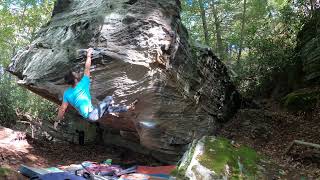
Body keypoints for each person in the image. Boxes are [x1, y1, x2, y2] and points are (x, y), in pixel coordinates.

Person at [54, 48, 138, 130]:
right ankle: (117, 107)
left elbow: (62, 109)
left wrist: (57, 121)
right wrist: (89, 55)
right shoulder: (83, 83)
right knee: (109, 98)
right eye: (75, 73)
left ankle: (127, 108)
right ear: (75, 79)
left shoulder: (66, 93)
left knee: (108, 109)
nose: (76, 73)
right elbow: (87, 68)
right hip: (92, 114)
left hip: (90, 116)